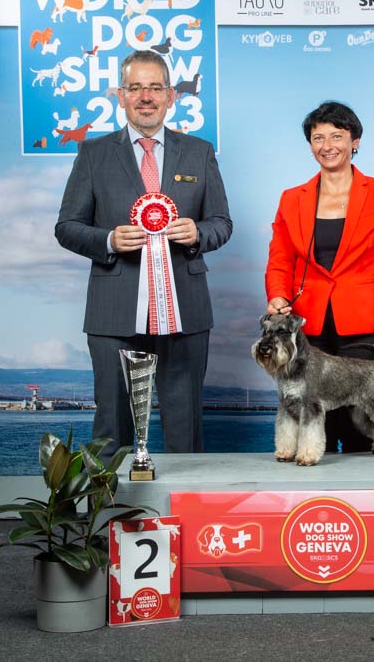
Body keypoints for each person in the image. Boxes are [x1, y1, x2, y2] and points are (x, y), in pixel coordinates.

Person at [55, 50, 232, 458]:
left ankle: (183, 502)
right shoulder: (93, 154)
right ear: (121, 96)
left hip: (185, 312)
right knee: (111, 427)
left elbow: (222, 222)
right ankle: (109, 501)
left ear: (171, 96)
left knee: (184, 428)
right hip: (113, 311)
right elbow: (66, 227)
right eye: (135, 88)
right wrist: (109, 241)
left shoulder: (200, 151)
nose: (145, 97)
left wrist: (198, 233)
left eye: (155, 87)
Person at [264, 100, 374, 452]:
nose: (327, 145)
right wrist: (277, 296)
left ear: (354, 141)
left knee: (364, 429)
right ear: (310, 145)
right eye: (318, 138)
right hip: (307, 330)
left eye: (337, 136)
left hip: (365, 330)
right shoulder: (291, 199)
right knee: (317, 430)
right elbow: (279, 260)